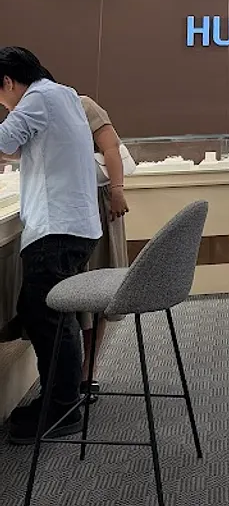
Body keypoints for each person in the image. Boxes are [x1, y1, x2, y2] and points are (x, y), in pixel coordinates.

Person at [0, 48, 100, 444]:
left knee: (48, 320)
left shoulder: (38, 97)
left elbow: (4, 139)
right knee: (49, 316)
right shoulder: (65, 95)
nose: (4, 105)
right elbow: (17, 147)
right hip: (73, 226)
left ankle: (60, 408)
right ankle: (61, 400)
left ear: (8, 81)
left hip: (56, 230)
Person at [78, 95, 129, 395]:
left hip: (99, 204)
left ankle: (88, 371)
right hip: (67, 204)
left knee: (96, 285)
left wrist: (117, 190)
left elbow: (111, 148)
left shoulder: (83, 105)